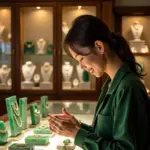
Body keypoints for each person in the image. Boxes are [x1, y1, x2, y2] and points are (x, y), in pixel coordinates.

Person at [49, 15, 150, 150]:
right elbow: (106, 135)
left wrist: (76, 133)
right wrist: (78, 126)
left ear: (99, 47)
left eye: (81, 58)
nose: (81, 67)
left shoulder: (128, 87)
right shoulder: (111, 83)